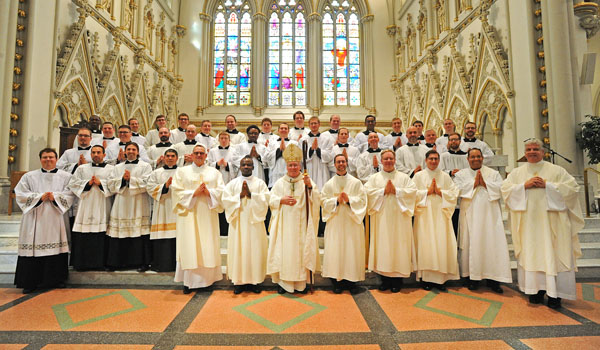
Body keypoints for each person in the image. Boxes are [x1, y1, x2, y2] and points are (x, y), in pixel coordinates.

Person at [501, 138, 583, 308]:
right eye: (529, 149)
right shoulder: (517, 173)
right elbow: (505, 190)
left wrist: (548, 185)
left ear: (543, 152)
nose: (532, 152)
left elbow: (573, 188)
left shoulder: (556, 170)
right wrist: (524, 186)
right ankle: (535, 290)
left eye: (535, 149)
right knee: (532, 253)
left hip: (553, 224)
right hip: (529, 224)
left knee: (553, 253)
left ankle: (555, 294)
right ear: (524, 153)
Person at [14, 148, 74, 293]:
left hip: (56, 217)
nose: (48, 160)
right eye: (45, 157)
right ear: (40, 159)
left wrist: (56, 198)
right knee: (33, 249)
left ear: (56, 159)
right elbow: (20, 194)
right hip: (35, 217)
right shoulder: (29, 176)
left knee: (57, 247)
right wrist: (39, 198)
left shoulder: (66, 176)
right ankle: (30, 281)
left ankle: (56, 279)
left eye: (51, 157)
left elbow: (71, 194)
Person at [454, 148, 511, 293]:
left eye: (478, 156)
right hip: (469, 215)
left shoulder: (493, 174)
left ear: (482, 158)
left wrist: (485, 184)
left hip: (490, 216)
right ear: (467, 159)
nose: (475, 159)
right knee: (470, 244)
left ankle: (493, 279)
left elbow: (502, 189)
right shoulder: (461, 174)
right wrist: (474, 184)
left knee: (491, 244)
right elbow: (456, 191)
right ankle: (472, 278)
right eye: (472, 157)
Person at [267, 144, 320, 294]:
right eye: (290, 165)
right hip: (285, 227)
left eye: (295, 165)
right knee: (284, 251)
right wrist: (280, 200)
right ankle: (284, 283)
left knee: (301, 251)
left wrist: (310, 188)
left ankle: (301, 283)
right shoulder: (279, 183)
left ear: (300, 166)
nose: (293, 168)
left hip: (302, 225)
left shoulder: (306, 182)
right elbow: (271, 201)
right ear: (286, 166)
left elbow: (316, 199)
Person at [171, 145, 225, 294]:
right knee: (190, 246)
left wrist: (209, 192)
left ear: (206, 155)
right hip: (188, 215)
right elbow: (175, 190)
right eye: (196, 153)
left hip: (207, 215)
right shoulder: (182, 171)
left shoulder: (214, 173)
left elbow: (221, 191)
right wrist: (193, 193)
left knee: (207, 245)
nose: (199, 155)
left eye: (202, 153)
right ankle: (189, 282)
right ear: (192, 155)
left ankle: (208, 281)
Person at [365, 149, 417, 292]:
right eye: (386, 159)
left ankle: (397, 280)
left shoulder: (404, 177)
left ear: (395, 160)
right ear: (381, 161)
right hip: (382, 219)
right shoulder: (374, 178)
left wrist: (397, 191)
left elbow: (413, 192)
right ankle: (385, 280)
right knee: (384, 246)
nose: (388, 161)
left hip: (400, 219)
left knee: (399, 246)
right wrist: (382, 192)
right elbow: (367, 192)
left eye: (391, 159)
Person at [413, 150, 460, 291]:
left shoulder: (445, 177)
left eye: (436, 159)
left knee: (441, 243)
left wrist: (440, 192)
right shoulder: (418, 176)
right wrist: (427, 192)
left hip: (441, 215)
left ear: (439, 161)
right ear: (426, 160)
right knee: (425, 244)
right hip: (424, 215)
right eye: (431, 159)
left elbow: (454, 193)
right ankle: (425, 278)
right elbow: (411, 194)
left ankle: (441, 279)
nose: (433, 161)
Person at [321, 154, 367, 294]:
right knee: (336, 250)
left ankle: (352, 282)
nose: (341, 164)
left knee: (351, 250)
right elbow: (323, 201)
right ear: (334, 165)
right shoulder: (329, 184)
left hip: (351, 223)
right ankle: (337, 283)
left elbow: (363, 201)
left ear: (346, 163)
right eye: (338, 162)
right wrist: (335, 201)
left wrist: (349, 200)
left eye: (343, 161)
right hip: (335, 222)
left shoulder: (356, 182)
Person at [222, 156, 270, 294]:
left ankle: (255, 281)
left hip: (254, 223)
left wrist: (250, 195)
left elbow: (266, 199)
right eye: (244, 165)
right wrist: (239, 197)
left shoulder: (260, 183)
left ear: (253, 167)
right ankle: (239, 282)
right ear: (240, 166)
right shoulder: (232, 184)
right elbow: (225, 200)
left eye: (249, 165)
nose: (246, 167)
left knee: (254, 250)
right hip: (238, 223)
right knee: (239, 249)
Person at [106, 142, 152, 271]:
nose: (131, 151)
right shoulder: (117, 167)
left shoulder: (146, 166)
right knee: (120, 232)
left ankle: (141, 263)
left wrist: (130, 179)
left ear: (138, 152)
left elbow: (148, 183)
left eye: (133, 149)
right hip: (121, 202)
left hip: (139, 202)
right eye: (128, 149)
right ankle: (117, 263)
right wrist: (122, 180)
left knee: (139, 232)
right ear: (125, 152)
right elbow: (110, 184)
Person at [68, 145, 114, 271]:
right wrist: (87, 184)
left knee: (102, 232)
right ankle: (81, 263)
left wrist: (101, 184)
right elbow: (72, 183)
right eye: (93, 152)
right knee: (84, 232)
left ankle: (100, 263)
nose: (96, 155)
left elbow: (114, 185)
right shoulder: (82, 169)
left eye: (99, 152)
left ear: (104, 155)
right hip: (85, 205)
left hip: (103, 204)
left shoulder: (111, 169)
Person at [146, 148, 179, 272]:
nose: (170, 158)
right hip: (162, 207)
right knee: (163, 236)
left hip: (177, 208)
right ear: (164, 158)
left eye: (172, 156)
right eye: (168, 156)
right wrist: (164, 187)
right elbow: (149, 187)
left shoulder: (182, 172)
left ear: (177, 158)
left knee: (177, 236)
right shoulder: (156, 172)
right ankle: (162, 265)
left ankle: (177, 266)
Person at [301, 117, 334, 190]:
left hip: (322, 168)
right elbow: (300, 155)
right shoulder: (303, 139)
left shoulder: (326, 138)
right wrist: (311, 150)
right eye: (311, 123)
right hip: (309, 167)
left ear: (319, 124)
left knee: (322, 188)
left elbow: (330, 155)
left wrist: (318, 150)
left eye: (315, 123)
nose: (313, 125)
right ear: (309, 125)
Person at [266, 123, 298, 188]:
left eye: (285, 128)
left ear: (288, 131)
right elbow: (267, 157)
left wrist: (286, 150)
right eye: (281, 128)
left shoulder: (294, 143)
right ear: (278, 130)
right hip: (276, 170)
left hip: (289, 170)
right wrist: (279, 150)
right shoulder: (272, 143)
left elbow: (297, 157)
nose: (283, 130)